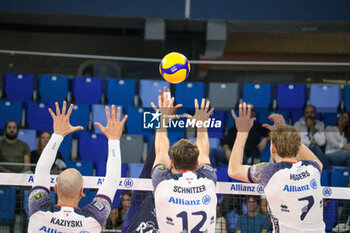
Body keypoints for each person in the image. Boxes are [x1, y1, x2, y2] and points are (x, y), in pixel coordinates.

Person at [28, 101, 127, 232]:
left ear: (56, 189)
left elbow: (41, 170)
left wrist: (57, 135)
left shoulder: (38, 209)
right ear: (81, 192)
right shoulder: (93, 218)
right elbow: (112, 180)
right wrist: (114, 140)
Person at [228, 102, 325, 232]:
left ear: (273, 149)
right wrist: (285, 132)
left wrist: (242, 132)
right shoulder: (313, 168)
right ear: (297, 148)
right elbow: (316, 160)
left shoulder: (269, 171)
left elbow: (233, 170)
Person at [151, 90, 217, 232]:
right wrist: (201, 125)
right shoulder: (209, 181)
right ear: (197, 164)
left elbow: (161, 150)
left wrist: (162, 121)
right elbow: (204, 152)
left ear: (171, 164)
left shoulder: (162, 182)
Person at [294, 105, 331, 169]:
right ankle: (329, 171)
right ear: (304, 114)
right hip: (301, 151)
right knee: (315, 147)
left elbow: (322, 142)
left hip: (316, 153)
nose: (309, 115)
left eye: (312, 112)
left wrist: (312, 127)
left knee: (315, 148)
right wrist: (310, 142)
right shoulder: (297, 124)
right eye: (307, 113)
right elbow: (296, 140)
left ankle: (327, 173)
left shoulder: (320, 125)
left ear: (316, 114)